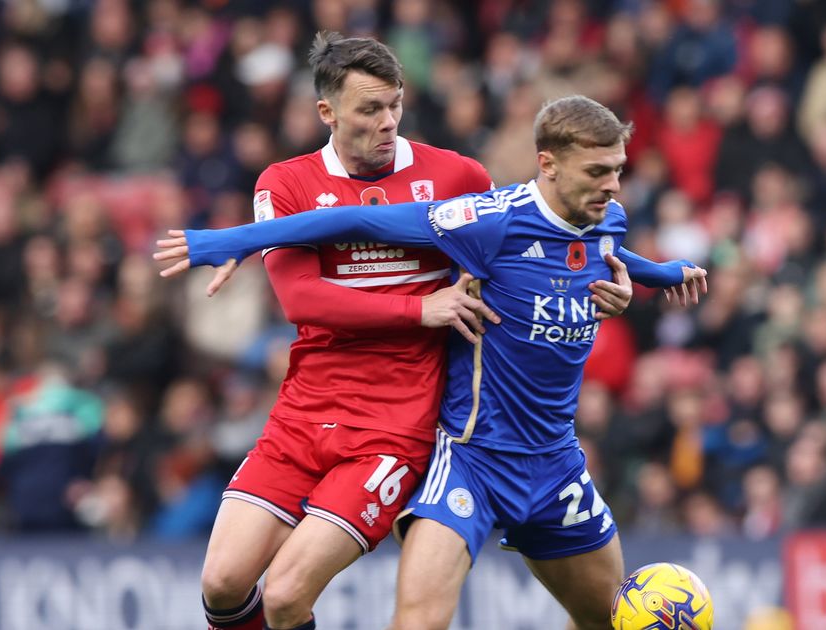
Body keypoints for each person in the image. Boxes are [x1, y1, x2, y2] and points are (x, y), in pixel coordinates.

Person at [156, 95, 709, 630]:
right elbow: (356, 225)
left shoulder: (606, 215)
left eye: (617, 169)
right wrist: (236, 241)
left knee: (602, 619)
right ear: (549, 165)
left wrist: (662, 274)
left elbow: (604, 252)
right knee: (417, 622)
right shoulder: (487, 222)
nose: (613, 185)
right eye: (597, 172)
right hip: (472, 459)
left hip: (555, 463)